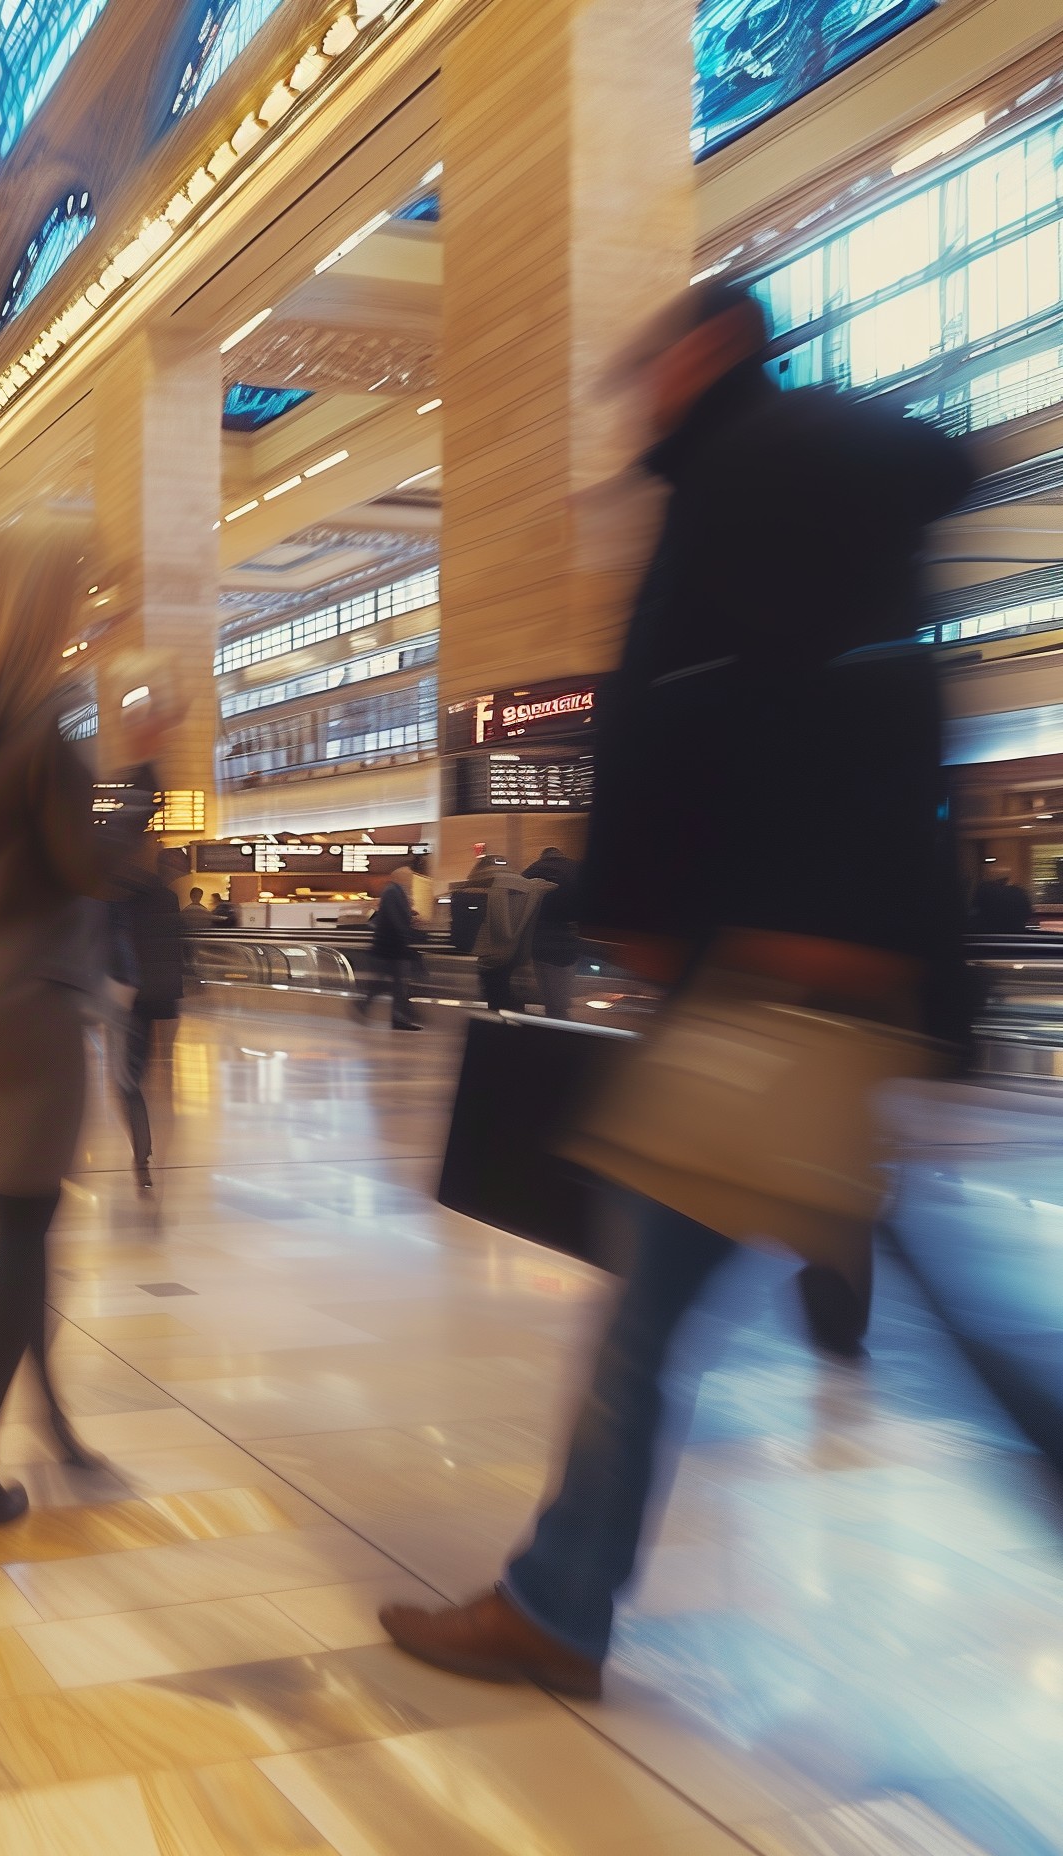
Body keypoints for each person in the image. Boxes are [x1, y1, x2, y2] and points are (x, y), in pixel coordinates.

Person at [380, 280, 974, 1701]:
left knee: (653, 1318)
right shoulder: (850, 498)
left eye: (648, 367)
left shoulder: (739, 484)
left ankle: (557, 1604)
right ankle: (560, 1595)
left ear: (707, 352)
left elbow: (676, 716)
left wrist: (641, 914)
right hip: (834, 984)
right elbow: (887, 730)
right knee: (795, 1303)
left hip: (755, 991)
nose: (635, 395)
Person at [0, 512, 142, 1540]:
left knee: (25, 1225)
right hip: (37, 1004)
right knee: (20, 1233)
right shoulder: (44, 723)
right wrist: (144, 772)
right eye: (69, 598)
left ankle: (48, 1414)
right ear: (35, 607)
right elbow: (88, 864)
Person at [108, 846, 186, 1192]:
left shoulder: (119, 900)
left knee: (128, 1078)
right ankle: (149, 1147)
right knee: (155, 1072)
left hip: (132, 997)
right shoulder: (167, 899)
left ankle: (142, 1153)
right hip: (165, 996)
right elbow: (179, 946)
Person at [353, 865, 423, 1030]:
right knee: (397, 984)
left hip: (389, 947)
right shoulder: (393, 891)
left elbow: (395, 916)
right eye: (409, 877)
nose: (411, 880)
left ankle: (366, 1007)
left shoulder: (396, 892)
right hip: (391, 947)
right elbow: (394, 919)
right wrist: (408, 934)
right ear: (401, 877)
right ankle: (397, 1018)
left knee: (384, 984)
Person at [472, 860, 545, 1012]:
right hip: (515, 961)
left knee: (496, 1003)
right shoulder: (529, 897)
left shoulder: (494, 898)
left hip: (493, 962)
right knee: (514, 1005)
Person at [524, 846, 583, 1019]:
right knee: (563, 987)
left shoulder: (531, 870)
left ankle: (554, 1015)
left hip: (540, 936)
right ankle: (560, 1017)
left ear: (543, 857)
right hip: (569, 934)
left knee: (548, 989)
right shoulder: (576, 869)